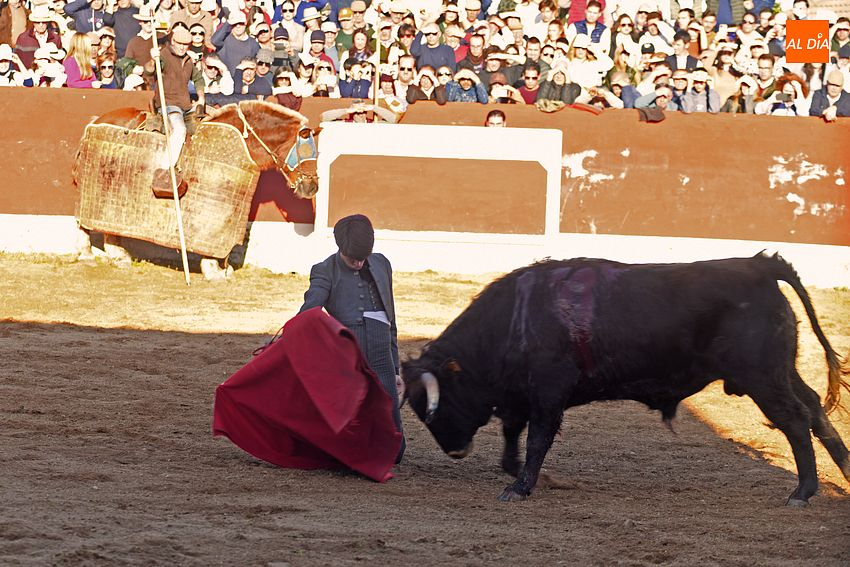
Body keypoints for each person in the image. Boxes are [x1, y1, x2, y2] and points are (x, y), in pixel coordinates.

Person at [299, 214, 405, 464]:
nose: (358, 263)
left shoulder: (381, 264)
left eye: (362, 257)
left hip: (381, 355)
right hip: (348, 354)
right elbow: (309, 312)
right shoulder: (324, 270)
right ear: (339, 248)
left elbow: (391, 320)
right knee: (353, 423)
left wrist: (396, 368)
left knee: (395, 450)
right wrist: (287, 338)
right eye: (352, 258)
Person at [144, 26, 205, 189]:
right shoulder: (162, 55)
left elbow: (198, 79)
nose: (183, 47)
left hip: (186, 104)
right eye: (180, 43)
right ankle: (165, 169)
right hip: (168, 103)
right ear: (173, 41)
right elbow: (149, 72)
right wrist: (152, 60)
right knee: (179, 130)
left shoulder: (189, 60)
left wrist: (201, 97)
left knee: (211, 118)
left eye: (186, 44)